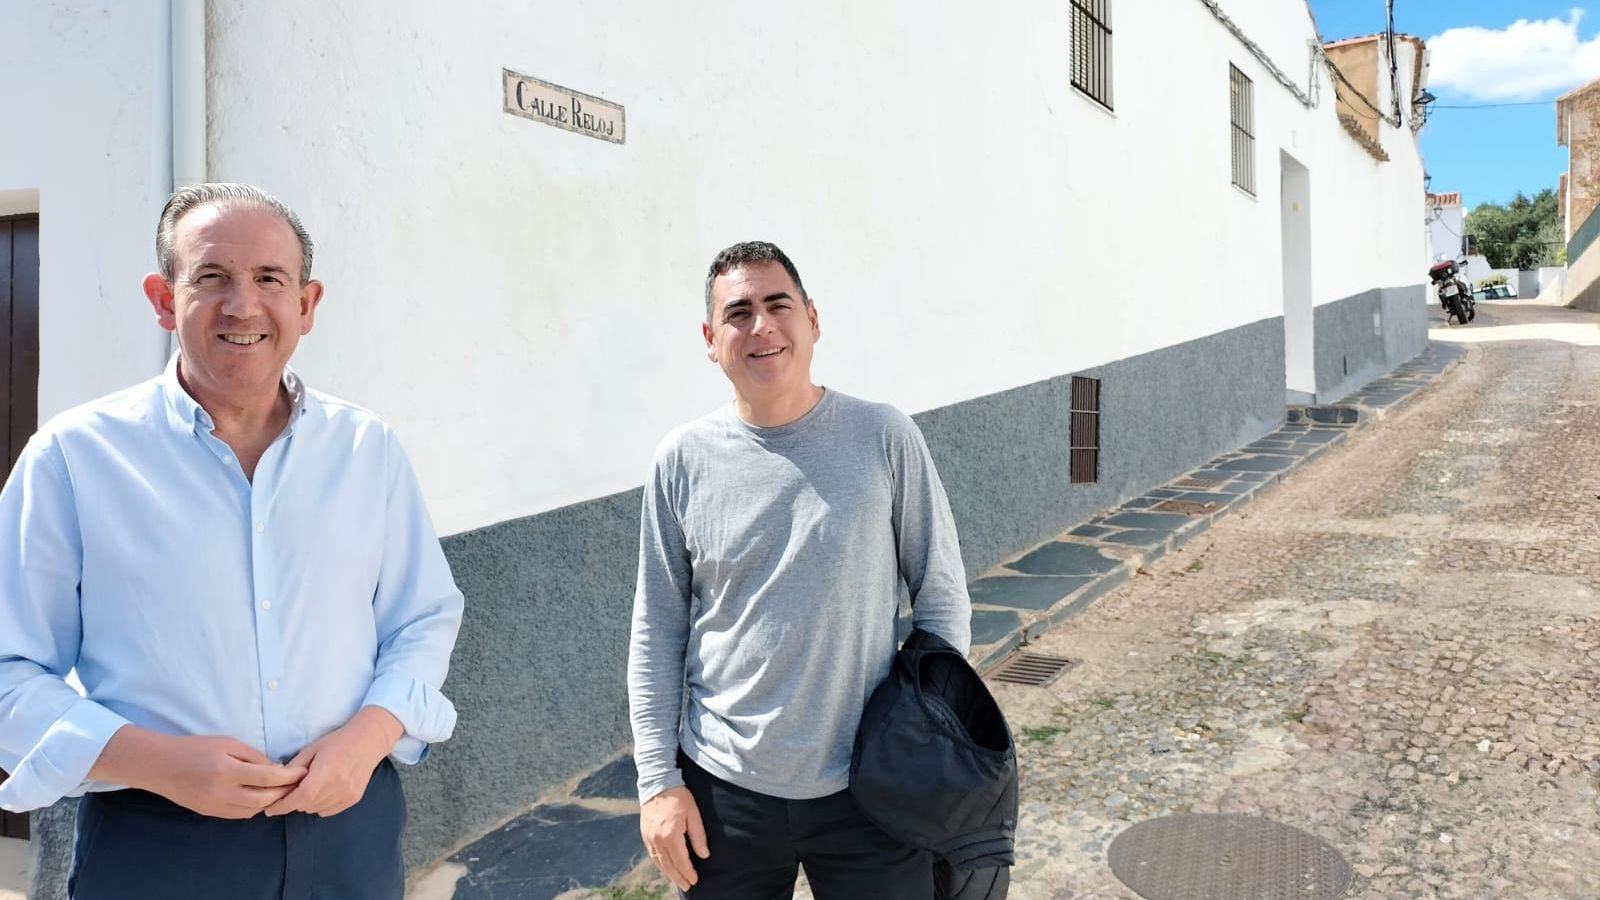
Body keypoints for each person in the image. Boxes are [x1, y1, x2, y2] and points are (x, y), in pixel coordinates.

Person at [0, 183, 463, 899]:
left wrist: (371, 734)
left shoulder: (367, 450)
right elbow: (8, 668)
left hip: (349, 833)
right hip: (157, 844)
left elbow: (423, 618)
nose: (242, 305)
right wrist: (158, 764)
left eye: (269, 279)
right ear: (163, 298)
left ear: (306, 306)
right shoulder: (74, 459)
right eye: (211, 277)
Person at [627, 240, 972, 897]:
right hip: (723, 793)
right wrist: (658, 785)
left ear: (813, 320)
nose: (761, 326)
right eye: (739, 312)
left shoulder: (884, 437)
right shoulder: (682, 460)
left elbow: (943, 599)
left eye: (778, 304)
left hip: (872, 788)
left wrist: (931, 744)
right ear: (710, 338)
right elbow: (656, 632)